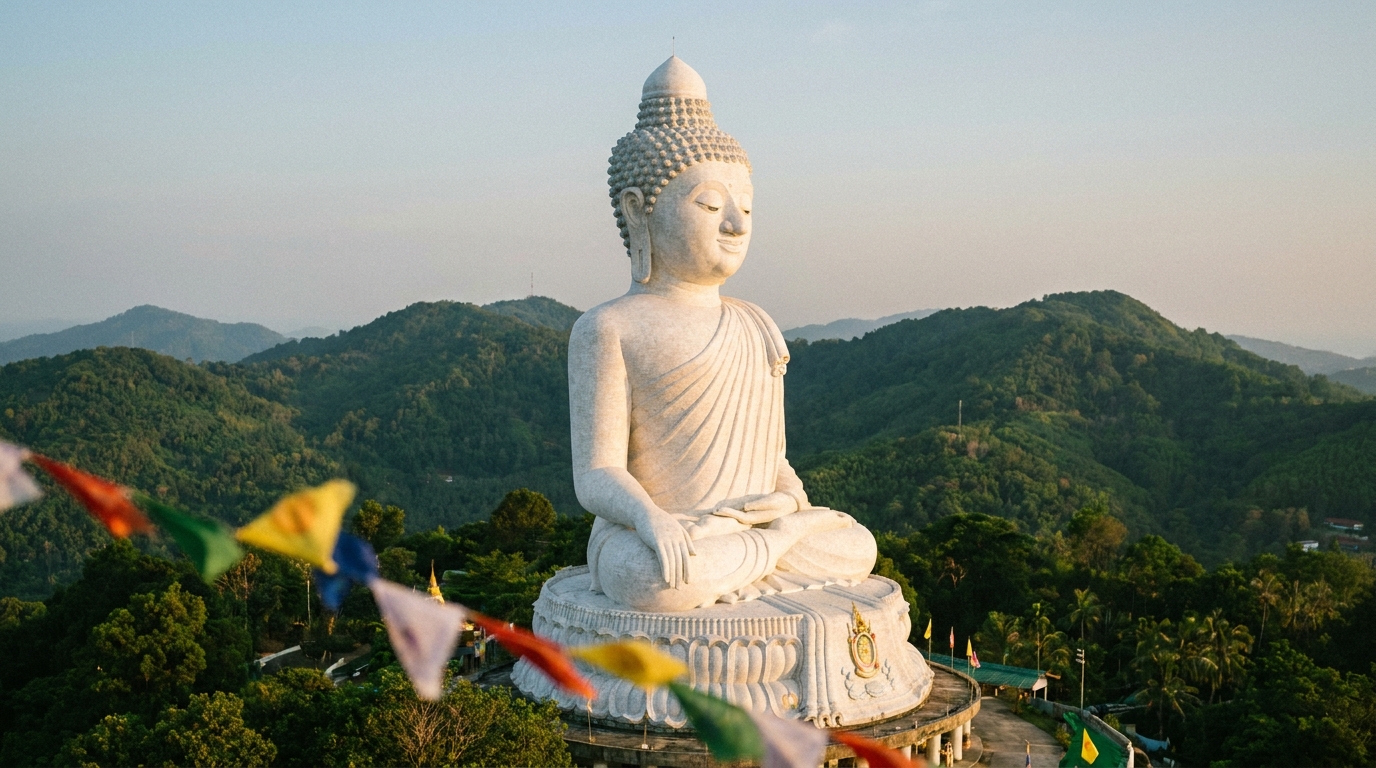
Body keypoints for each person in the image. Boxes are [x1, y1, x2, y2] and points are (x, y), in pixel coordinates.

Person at [570, 57, 877, 612]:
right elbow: (597, 473)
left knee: (856, 544)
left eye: (746, 206)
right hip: (656, 534)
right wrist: (650, 518)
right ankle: (756, 554)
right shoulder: (608, 327)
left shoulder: (753, 322)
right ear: (638, 211)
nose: (736, 223)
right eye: (710, 205)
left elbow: (775, 458)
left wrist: (785, 502)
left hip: (737, 532)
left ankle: (768, 548)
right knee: (654, 579)